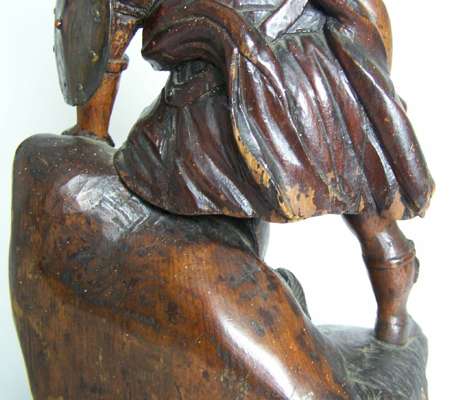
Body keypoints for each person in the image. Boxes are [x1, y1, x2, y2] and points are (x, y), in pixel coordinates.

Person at [80, 0, 433, 345]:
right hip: (299, 84)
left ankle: (392, 319)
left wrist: (91, 130)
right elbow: (367, 13)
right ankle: (391, 319)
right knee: (371, 217)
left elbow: (110, 25)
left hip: (240, 98)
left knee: (368, 210)